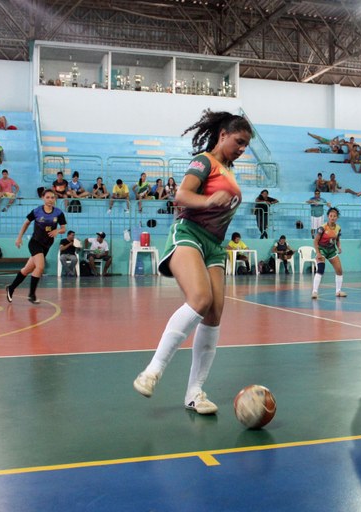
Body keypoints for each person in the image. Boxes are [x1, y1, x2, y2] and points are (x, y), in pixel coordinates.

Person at [133, 109, 253, 416]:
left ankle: (194, 392)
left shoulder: (228, 171)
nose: (242, 149)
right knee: (200, 299)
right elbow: (182, 195)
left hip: (214, 246)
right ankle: (152, 371)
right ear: (223, 135)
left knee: (214, 314)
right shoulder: (204, 161)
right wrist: (208, 201)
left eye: (246, 145)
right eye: (239, 141)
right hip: (188, 233)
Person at [5, 189, 67, 304]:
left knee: (27, 269)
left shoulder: (58, 213)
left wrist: (58, 231)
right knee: (40, 267)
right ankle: (32, 295)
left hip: (47, 245)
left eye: (52, 197)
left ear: (55, 199)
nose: (50, 200)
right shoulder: (37, 211)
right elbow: (26, 223)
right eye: (47, 197)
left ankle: (11, 288)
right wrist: (19, 238)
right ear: (43, 198)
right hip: (35, 243)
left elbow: (64, 228)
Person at [311, 207, 346, 298]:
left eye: (334, 216)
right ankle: (314, 292)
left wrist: (339, 247)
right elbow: (315, 241)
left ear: (337, 217)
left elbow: (337, 240)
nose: (332, 217)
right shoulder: (322, 228)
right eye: (331, 216)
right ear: (328, 216)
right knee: (321, 269)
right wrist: (318, 253)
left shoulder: (338, 228)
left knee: (339, 270)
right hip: (322, 250)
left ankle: (338, 291)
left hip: (331, 251)